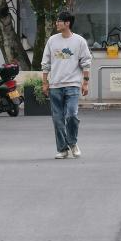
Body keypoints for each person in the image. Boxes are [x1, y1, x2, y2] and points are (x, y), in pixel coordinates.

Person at [42, 10, 91, 159]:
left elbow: (86, 63)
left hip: (73, 84)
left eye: (59, 21)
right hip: (55, 85)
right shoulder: (52, 41)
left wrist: (85, 83)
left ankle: (73, 143)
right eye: (57, 21)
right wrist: (45, 82)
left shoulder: (79, 41)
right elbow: (46, 62)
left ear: (67, 23)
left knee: (71, 115)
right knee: (57, 119)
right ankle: (62, 149)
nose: (56, 23)